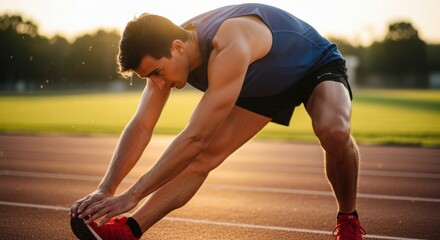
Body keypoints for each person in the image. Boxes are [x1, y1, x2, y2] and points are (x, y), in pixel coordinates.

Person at [69, 3, 366, 240]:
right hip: (259, 85)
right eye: (149, 78)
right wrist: (107, 189)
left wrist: (132, 194)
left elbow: (194, 136)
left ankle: (348, 219)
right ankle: (129, 230)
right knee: (205, 157)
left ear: (178, 47)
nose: (157, 84)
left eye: (157, 73)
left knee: (334, 131)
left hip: (313, 65)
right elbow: (142, 125)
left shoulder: (229, 42)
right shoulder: (166, 55)